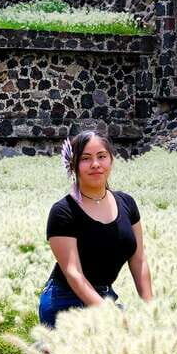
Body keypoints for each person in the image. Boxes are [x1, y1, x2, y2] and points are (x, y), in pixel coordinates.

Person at [38, 130, 153, 328]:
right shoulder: (63, 212)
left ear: (111, 160)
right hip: (65, 300)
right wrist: (109, 315)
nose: (95, 164)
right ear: (73, 165)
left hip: (104, 295)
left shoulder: (127, 203)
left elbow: (139, 260)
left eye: (102, 156)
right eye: (85, 158)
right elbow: (74, 273)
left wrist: (151, 308)